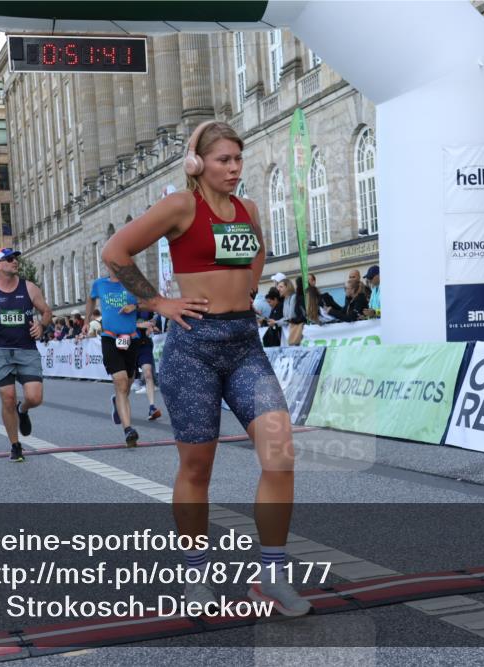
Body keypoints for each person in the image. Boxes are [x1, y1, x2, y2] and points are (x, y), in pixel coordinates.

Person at [101, 120, 311, 616]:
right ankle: (196, 576)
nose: (235, 169)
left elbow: (257, 252)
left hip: (243, 344)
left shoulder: (248, 210)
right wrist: (158, 302)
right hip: (193, 348)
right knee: (198, 468)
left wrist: (246, 290)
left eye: (239, 159)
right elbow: (116, 253)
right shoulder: (180, 205)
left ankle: (272, 578)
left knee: (280, 454)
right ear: (198, 163)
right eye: (224, 160)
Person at [0, 248, 51, 463]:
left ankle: (22, 410)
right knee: (8, 397)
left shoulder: (30, 288)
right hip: (0, 351)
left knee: (35, 397)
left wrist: (41, 326)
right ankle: (15, 445)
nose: (15, 262)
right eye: (9, 259)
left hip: (26, 349)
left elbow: (47, 311)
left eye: (16, 258)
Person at [86, 269, 143, 446]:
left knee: (128, 381)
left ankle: (117, 401)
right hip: (110, 337)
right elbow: (91, 298)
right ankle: (128, 430)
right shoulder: (99, 284)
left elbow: (153, 302)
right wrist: (87, 319)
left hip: (131, 338)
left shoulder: (134, 282)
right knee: (121, 382)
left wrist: (135, 307)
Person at [135, 311, 162, 420]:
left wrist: (150, 328)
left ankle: (152, 407)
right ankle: (119, 403)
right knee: (127, 381)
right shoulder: (126, 304)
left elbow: (151, 325)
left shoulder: (147, 309)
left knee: (148, 373)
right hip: (129, 345)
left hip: (144, 345)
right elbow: (121, 324)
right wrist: (139, 325)